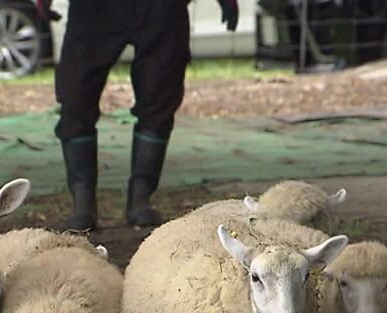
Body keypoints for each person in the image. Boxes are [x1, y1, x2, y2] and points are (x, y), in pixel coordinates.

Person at [39, 0, 239, 231]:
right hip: (93, 8)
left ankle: (141, 198)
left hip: (162, 9)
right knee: (75, 95)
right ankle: (83, 204)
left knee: (160, 95)